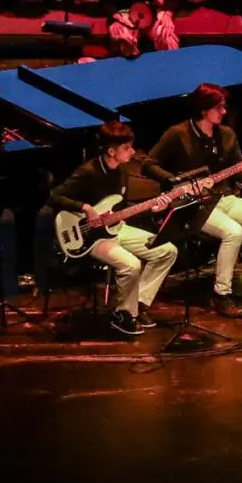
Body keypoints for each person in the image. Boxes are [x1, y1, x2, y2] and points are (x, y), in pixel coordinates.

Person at [149, 85, 242, 316]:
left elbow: (239, 174)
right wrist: (176, 180)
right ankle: (221, 293)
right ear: (204, 109)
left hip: (224, 198)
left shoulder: (227, 134)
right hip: (193, 204)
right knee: (233, 232)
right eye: (219, 107)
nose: (224, 111)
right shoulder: (177, 134)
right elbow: (148, 164)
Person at [49, 120, 180, 336]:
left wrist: (153, 209)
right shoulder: (88, 171)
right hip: (89, 236)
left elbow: (123, 208)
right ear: (111, 151)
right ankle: (123, 315)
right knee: (131, 265)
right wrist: (84, 207)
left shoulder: (121, 172)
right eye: (126, 148)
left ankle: (138, 304)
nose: (132, 152)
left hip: (116, 227)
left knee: (167, 251)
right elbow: (54, 197)